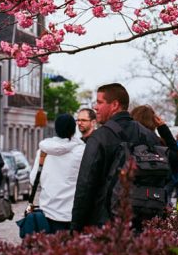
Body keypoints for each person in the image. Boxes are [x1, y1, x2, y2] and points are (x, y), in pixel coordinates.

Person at [70, 83, 163, 231]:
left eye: (100, 102)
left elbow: (86, 185)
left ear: (114, 105)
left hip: (106, 225)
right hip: (143, 222)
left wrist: (76, 227)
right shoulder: (149, 136)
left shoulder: (100, 137)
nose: (95, 107)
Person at [28, 112, 85, 232]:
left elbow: (34, 180)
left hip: (48, 211)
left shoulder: (44, 151)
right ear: (73, 130)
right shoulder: (81, 151)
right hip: (72, 213)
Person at [130, 104, 178, 180]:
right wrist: (163, 128)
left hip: (129, 188)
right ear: (154, 121)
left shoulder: (126, 141)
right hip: (155, 189)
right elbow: (177, 159)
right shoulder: (157, 143)